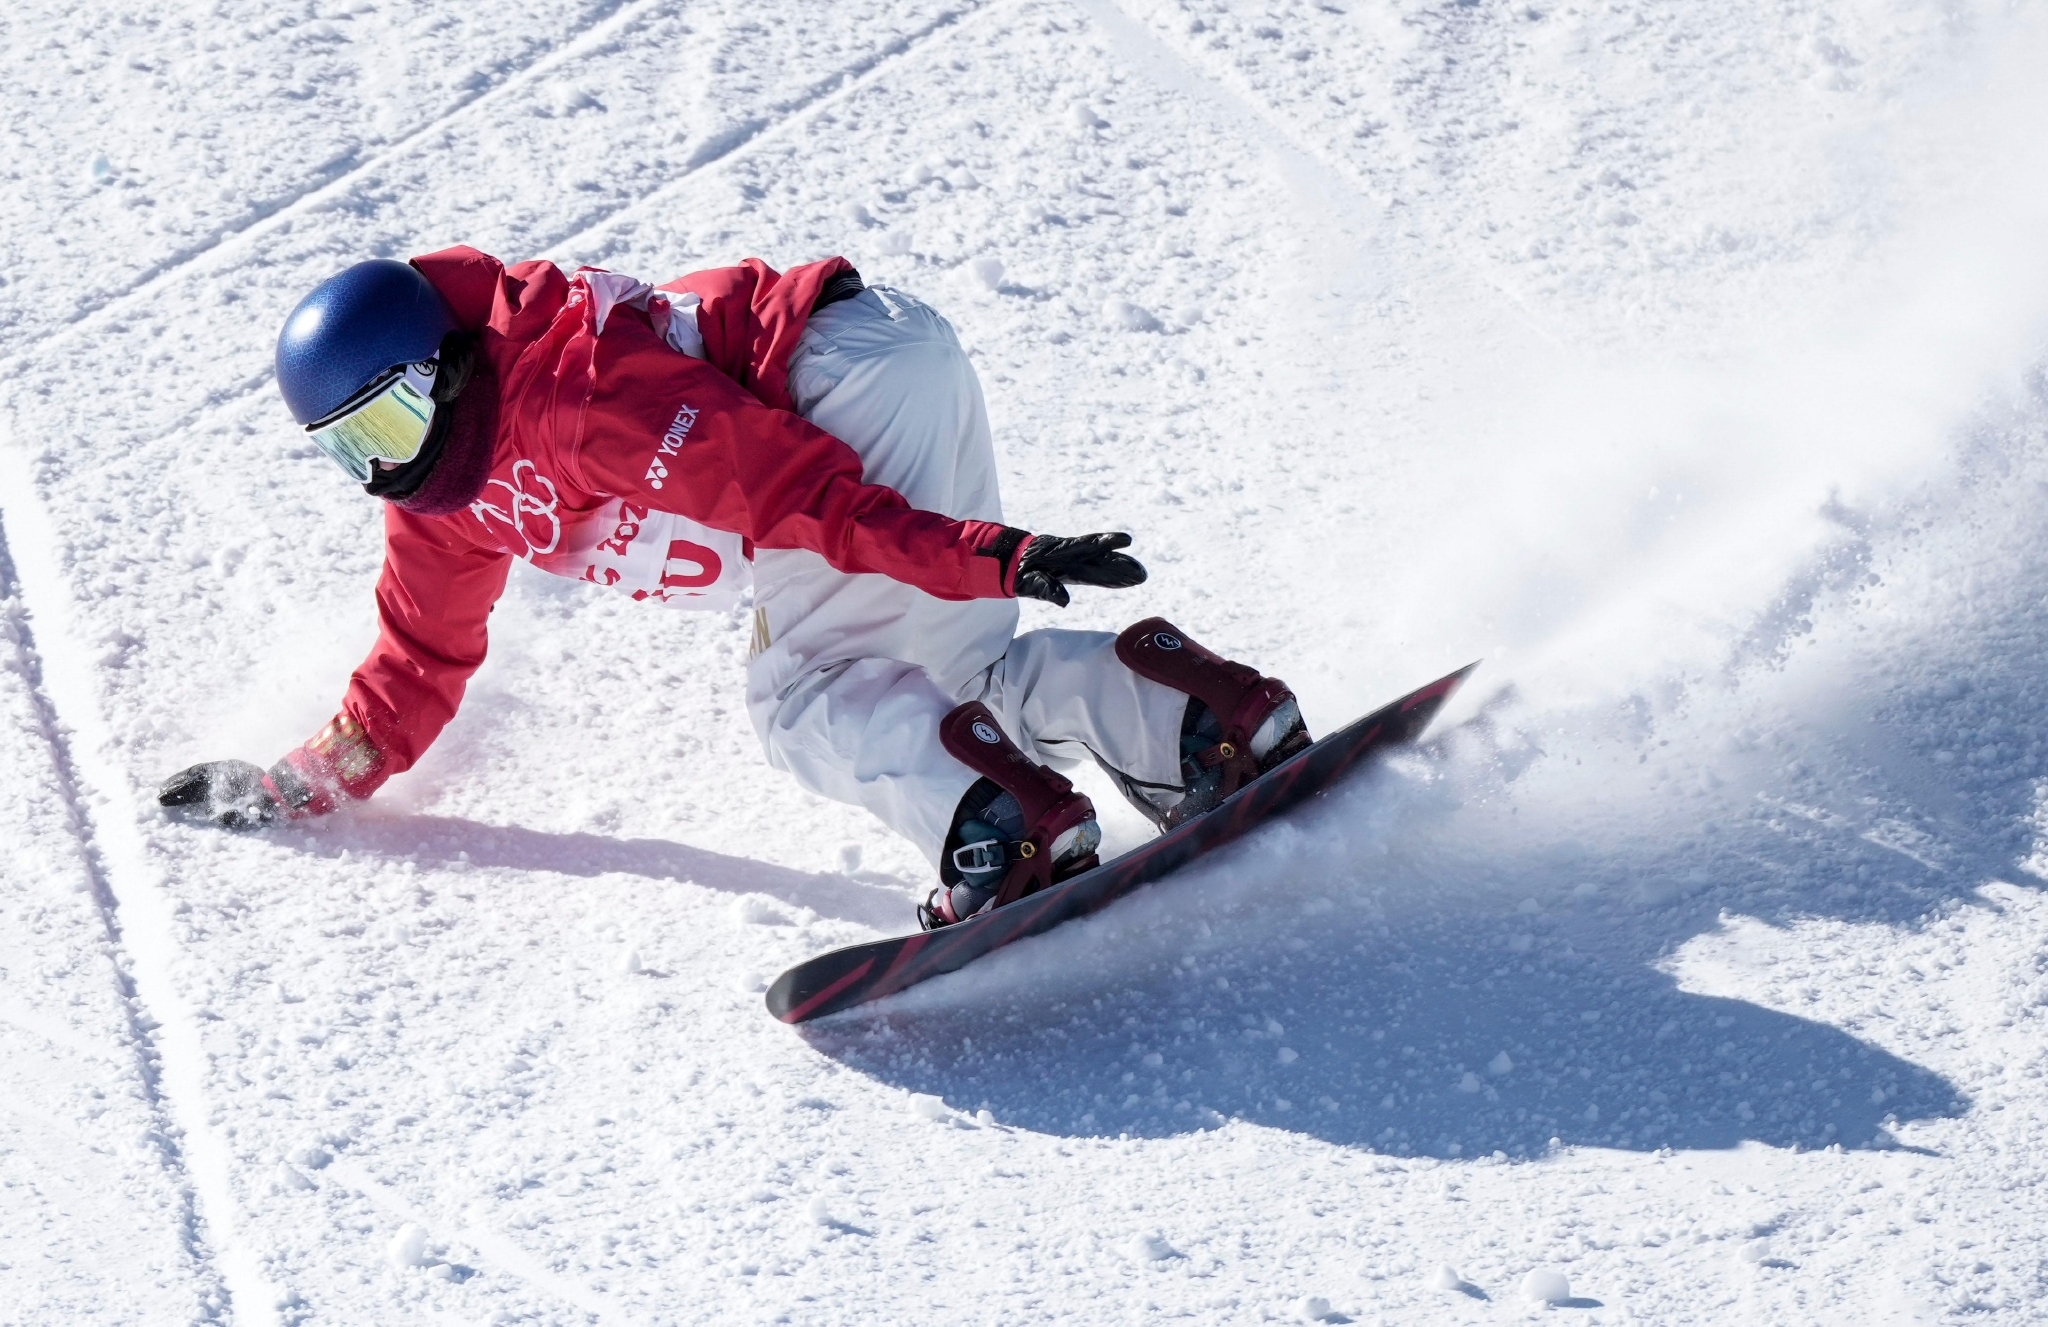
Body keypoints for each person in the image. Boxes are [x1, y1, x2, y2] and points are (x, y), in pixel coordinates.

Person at [158, 248, 1310, 928]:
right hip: (886, 356)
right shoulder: (440, 503)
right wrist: (302, 781)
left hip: (843, 385)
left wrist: (987, 553)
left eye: (395, 417)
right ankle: (1202, 720)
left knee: (803, 699)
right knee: (956, 675)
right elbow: (414, 664)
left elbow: (795, 495)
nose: (387, 464)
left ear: (448, 367)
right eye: (347, 449)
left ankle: (1005, 828)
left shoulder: (571, 398)